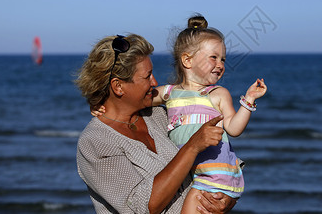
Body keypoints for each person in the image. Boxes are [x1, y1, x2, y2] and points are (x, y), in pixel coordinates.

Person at [93, 15, 267, 213]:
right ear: (187, 60)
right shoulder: (170, 94)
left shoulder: (217, 94)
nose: (220, 64)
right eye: (213, 57)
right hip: (199, 176)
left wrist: (249, 100)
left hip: (215, 175)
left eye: (223, 59)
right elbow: (139, 97)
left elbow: (234, 129)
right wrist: (100, 103)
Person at [76, 33, 237, 213]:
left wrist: (226, 197)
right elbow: (140, 207)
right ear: (118, 86)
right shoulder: (96, 142)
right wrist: (192, 147)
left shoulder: (159, 115)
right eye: (147, 76)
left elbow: (220, 157)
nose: (155, 82)